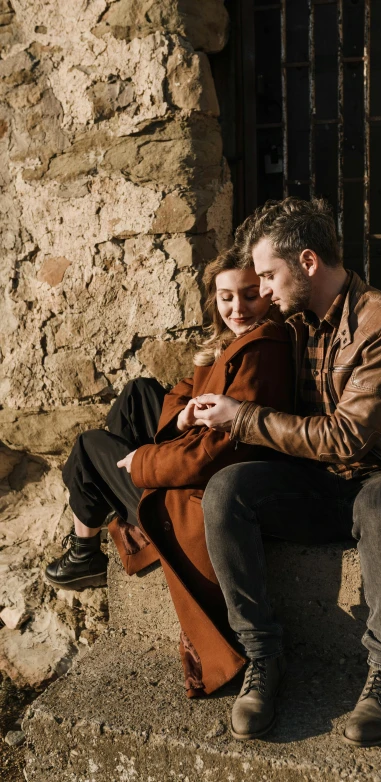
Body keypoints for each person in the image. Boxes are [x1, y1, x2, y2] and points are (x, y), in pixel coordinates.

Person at [191, 198, 381, 746]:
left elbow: (347, 437)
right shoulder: (290, 319)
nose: (261, 289)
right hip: (320, 480)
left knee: (380, 504)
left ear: (308, 262)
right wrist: (187, 401)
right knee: (226, 491)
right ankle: (263, 656)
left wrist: (241, 418)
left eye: (268, 275)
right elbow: (223, 354)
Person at [45, 249, 294, 695]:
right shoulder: (233, 341)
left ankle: (86, 548)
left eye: (251, 295)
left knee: (89, 447)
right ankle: (112, 531)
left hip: (205, 490)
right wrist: (179, 418)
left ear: (270, 292)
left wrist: (141, 463)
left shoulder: (261, 349)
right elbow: (187, 390)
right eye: (225, 298)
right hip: (199, 452)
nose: (237, 308)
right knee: (140, 393)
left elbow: (212, 454)